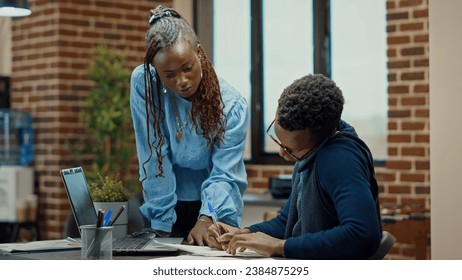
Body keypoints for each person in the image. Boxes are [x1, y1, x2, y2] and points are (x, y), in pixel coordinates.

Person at [208, 74, 382, 259]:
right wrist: (245, 234)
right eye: (278, 141)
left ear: (319, 140)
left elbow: (362, 235)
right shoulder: (311, 155)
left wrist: (280, 246)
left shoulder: (340, 158)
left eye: (291, 149)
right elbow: (287, 221)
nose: (282, 154)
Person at [130, 5, 250, 246]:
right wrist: (161, 222)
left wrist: (206, 218)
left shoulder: (231, 106)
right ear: (156, 71)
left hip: (214, 207)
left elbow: (225, 174)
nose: (181, 81)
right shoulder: (146, 84)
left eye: (187, 68)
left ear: (199, 53)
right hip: (165, 201)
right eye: (169, 74)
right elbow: (154, 155)